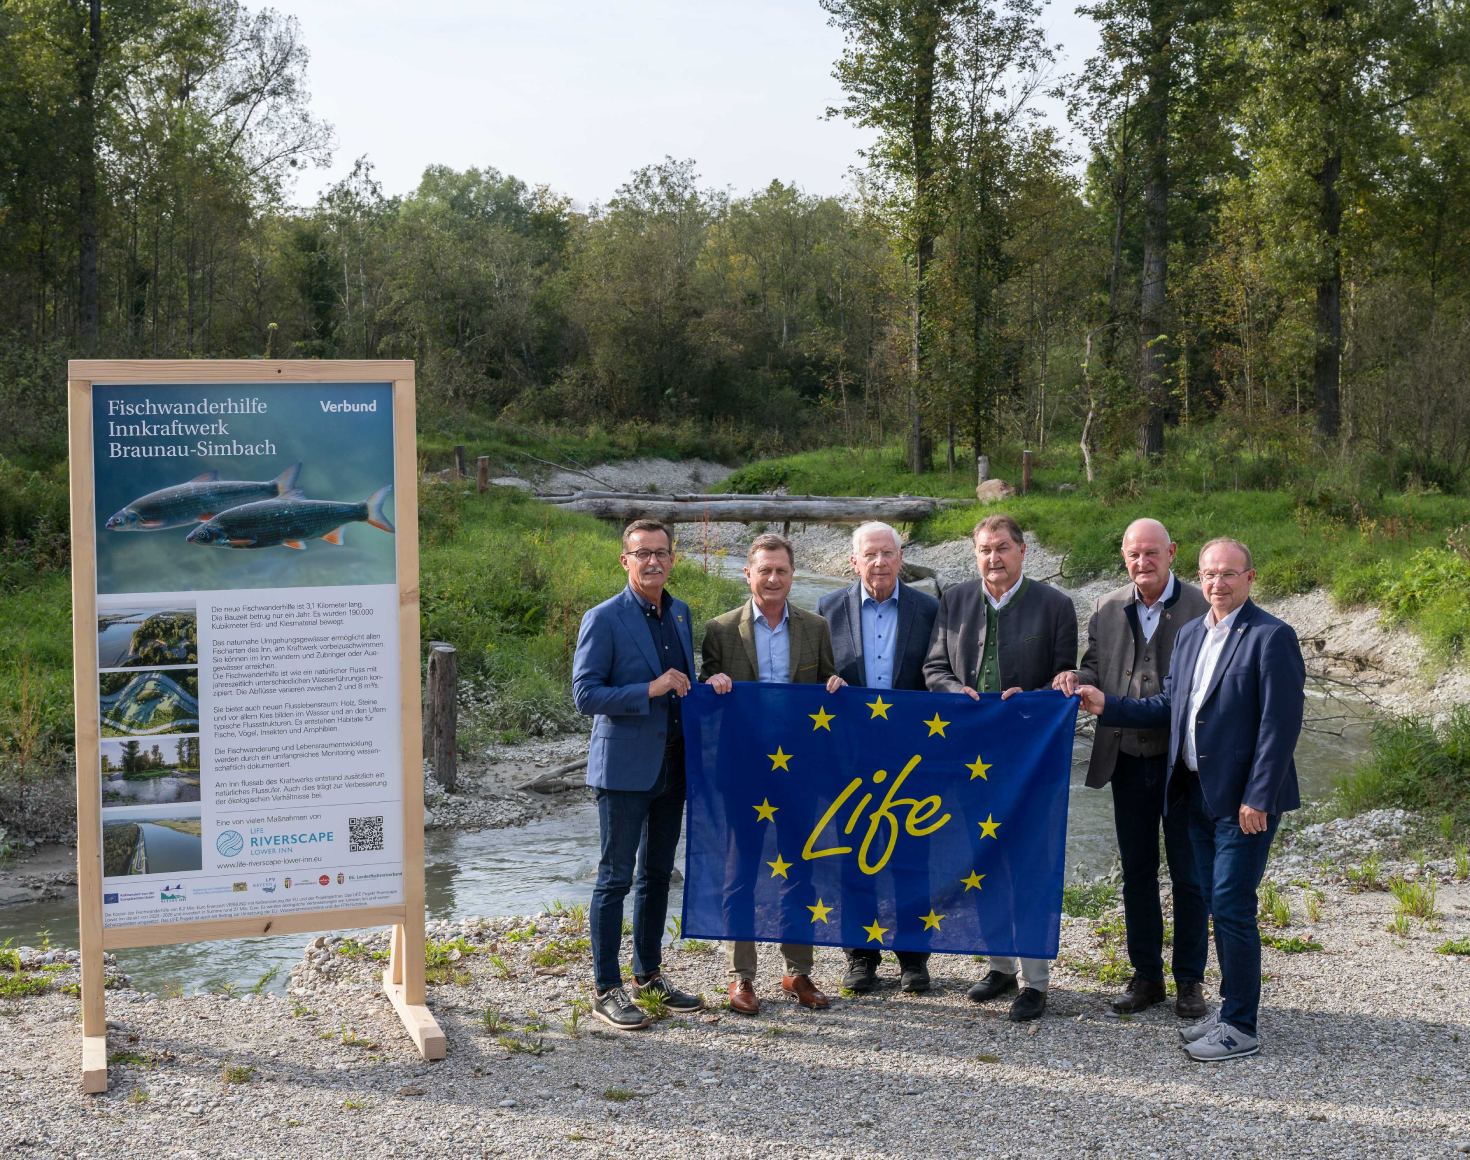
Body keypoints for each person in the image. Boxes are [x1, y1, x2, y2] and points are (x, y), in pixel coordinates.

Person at [1076, 537, 1305, 1061]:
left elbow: (1280, 727)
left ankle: (1241, 1026)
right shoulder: (1191, 636)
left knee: (1230, 907)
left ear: (1250, 578)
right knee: (1215, 900)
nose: (1218, 584)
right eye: (1210, 575)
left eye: (1229, 574)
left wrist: (1259, 797)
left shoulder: (1272, 637)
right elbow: (1165, 706)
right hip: (1193, 793)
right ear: (1199, 578)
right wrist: (1106, 704)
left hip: (1242, 802)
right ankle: (1227, 1015)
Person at [923, 513, 1078, 1022]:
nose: (994, 558)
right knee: (982, 861)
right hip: (969, 759)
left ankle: (1035, 981)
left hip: (1030, 761)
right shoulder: (956, 600)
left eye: (1003, 548)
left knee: (1029, 865)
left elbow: (1064, 682)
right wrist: (954, 692)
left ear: (1022, 550)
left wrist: (1030, 698)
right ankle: (999, 966)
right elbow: (934, 668)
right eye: (985, 549)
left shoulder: (1056, 606)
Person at [1054, 519, 1211, 1019]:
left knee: (1189, 877)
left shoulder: (1202, 608)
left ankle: (1190, 981)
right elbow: (1096, 667)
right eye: (1133, 554)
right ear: (1124, 557)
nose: (1142, 563)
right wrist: (1078, 677)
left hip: (1183, 764)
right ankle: (1146, 978)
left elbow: (1190, 696)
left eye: (1151, 553)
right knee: (1137, 873)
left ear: (1172, 554)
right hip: (1125, 759)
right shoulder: (1104, 606)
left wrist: (1109, 702)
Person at [703, 532, 847, 1014]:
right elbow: (705, 702)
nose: (772, 578)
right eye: (764, 570)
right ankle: (741, 976)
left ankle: (797, 972)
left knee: (799, 872)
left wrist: (836, 684)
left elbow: (828, 691)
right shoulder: (720, 630)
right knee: (740, 872)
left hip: (798, 773)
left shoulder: (816, 627)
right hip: (743, 772)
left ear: (792, 576)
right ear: (748, 574)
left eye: (781, 570)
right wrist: (711, 682)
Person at [571, 519, 705, 1031]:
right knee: (614, 878)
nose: (653, 561)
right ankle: (606, 988)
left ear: (673, 560)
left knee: (656, 875)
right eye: (642, 553)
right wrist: (647, 690)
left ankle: (649, 975)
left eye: (662, 553)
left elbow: (685, 684)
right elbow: (585, 695)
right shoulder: (603, 618)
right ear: (624, 560)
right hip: (624, 768)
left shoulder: (682, 613)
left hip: (674, 766)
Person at [817, 520, 940, 995]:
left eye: (888, 553)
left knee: (912, 857)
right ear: (854, 561)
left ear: (901, 558)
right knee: (854, 855)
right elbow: (815, 678)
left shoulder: (929, 610)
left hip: (912, 758)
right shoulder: (827, 610)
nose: (880, 563)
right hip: (852, 758)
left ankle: (913, 957)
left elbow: (941, 672)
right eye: (870, 555)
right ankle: (861, 956)